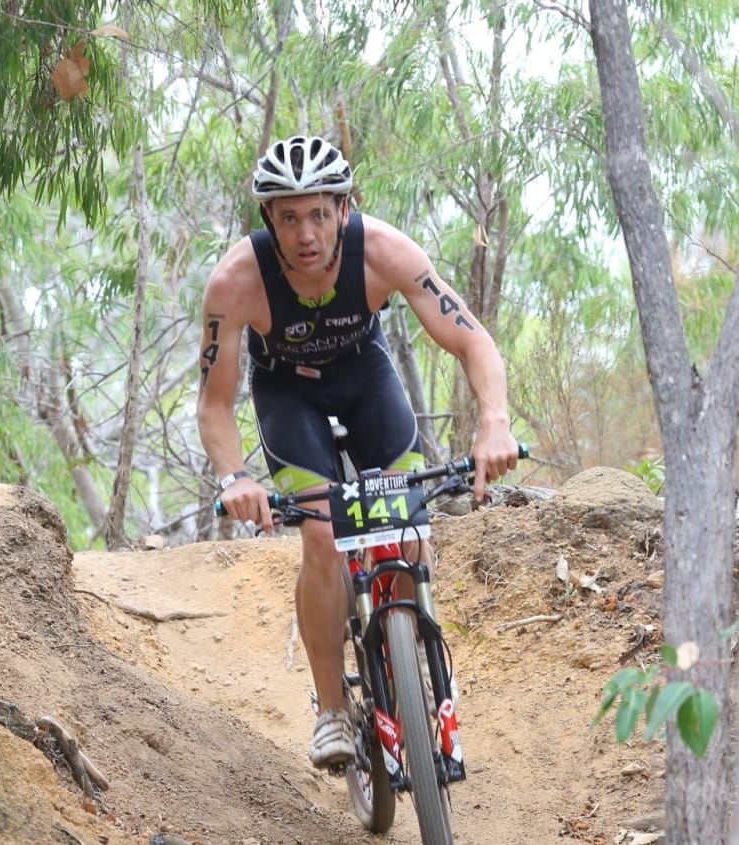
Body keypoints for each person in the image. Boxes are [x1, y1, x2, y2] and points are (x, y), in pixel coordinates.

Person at [197, 134, 519, 769]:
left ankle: (411, 677)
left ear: (343, 209)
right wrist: (235, 476)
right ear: (269, 220)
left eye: (319, 213)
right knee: (321, 536)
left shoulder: (384, 252)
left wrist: (495, 422)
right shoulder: (237, 282)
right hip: (289, 393)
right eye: (288, 217)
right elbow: (214, 404)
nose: (306, 233)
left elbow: (473, 341)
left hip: (364, 378)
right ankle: (330, 711)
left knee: (406, 533)